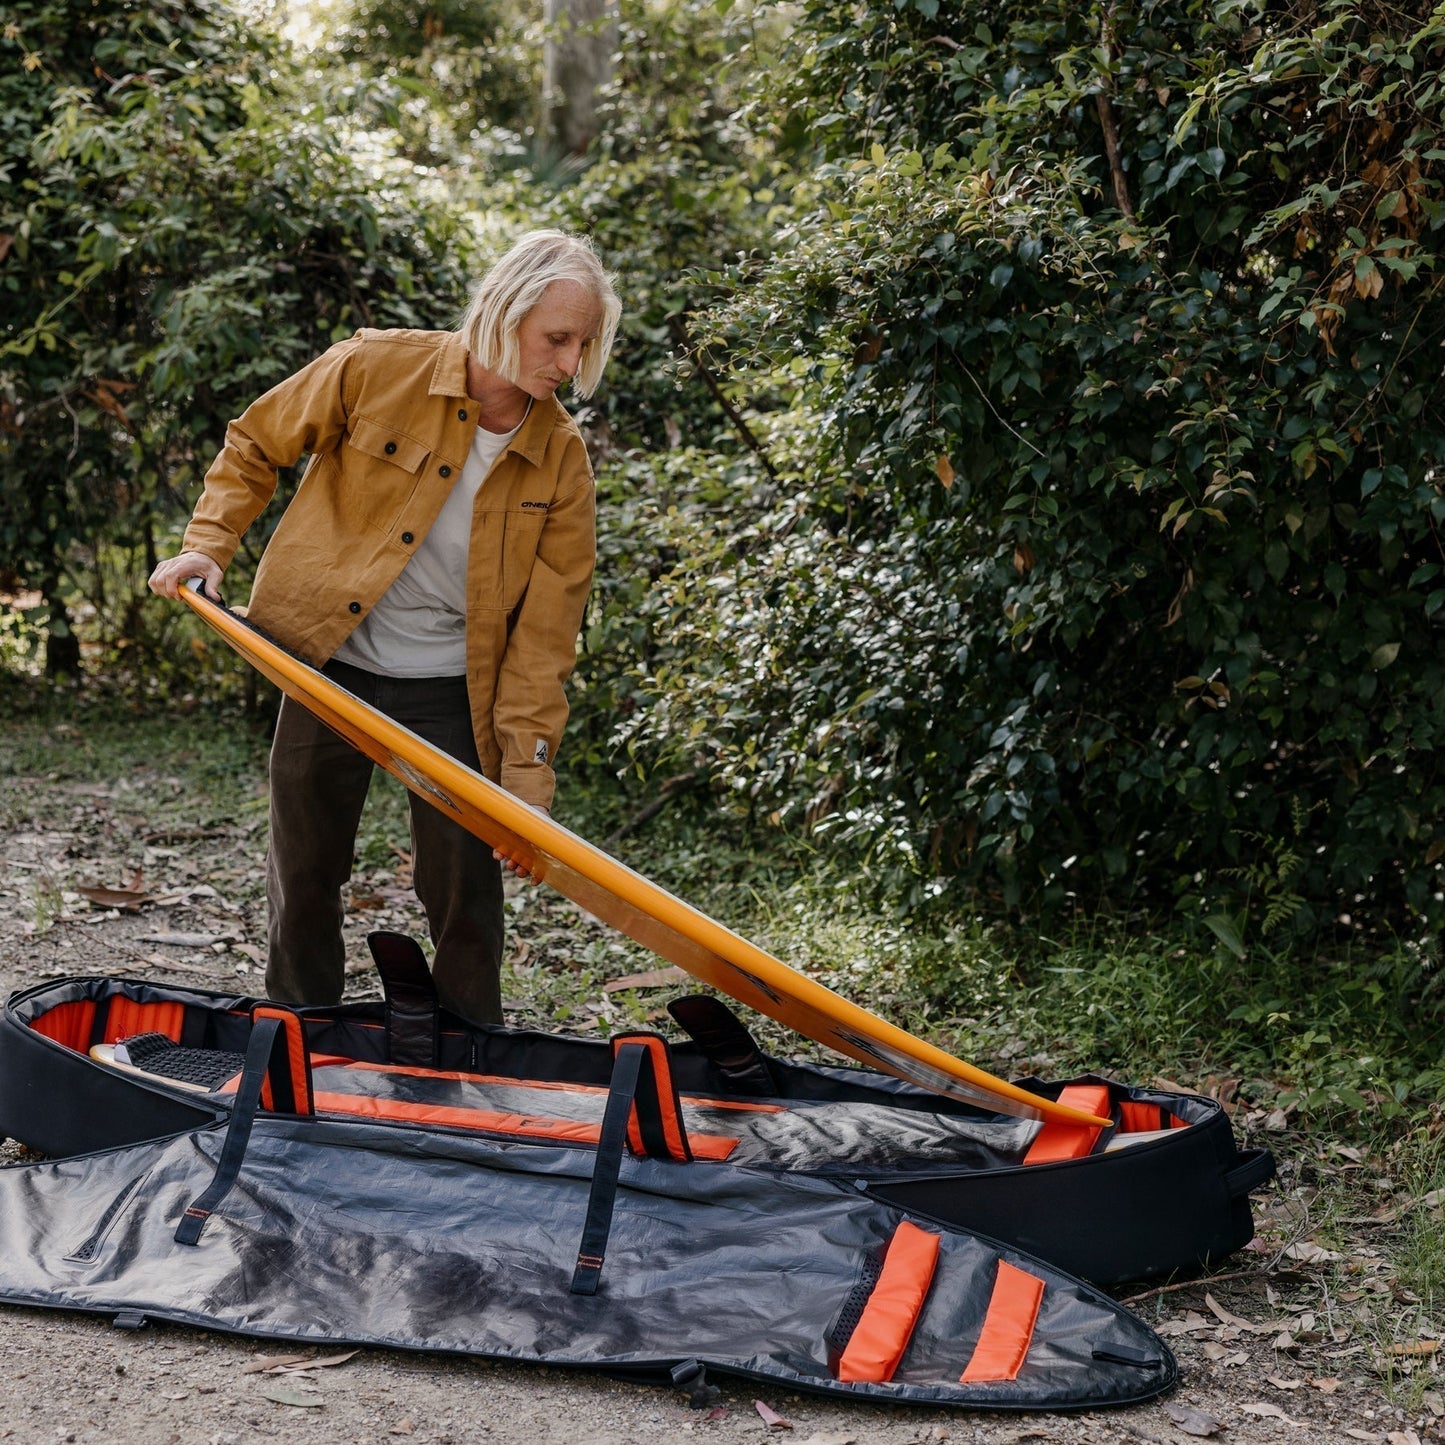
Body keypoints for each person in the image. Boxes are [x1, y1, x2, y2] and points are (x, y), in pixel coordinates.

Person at [149, 229, 622, 1025]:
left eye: (584, 344)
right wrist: (208, 543)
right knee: (304, 872)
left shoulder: (561, 460)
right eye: (557, 339)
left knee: (465, 893)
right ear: (503, 311)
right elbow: (256, 441)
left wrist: (526, 786)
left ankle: (469, 1055)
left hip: (453, 689)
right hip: (329, 664)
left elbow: (545, 639)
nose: (570, 363)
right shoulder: (376, 366)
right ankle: (297, 1041)